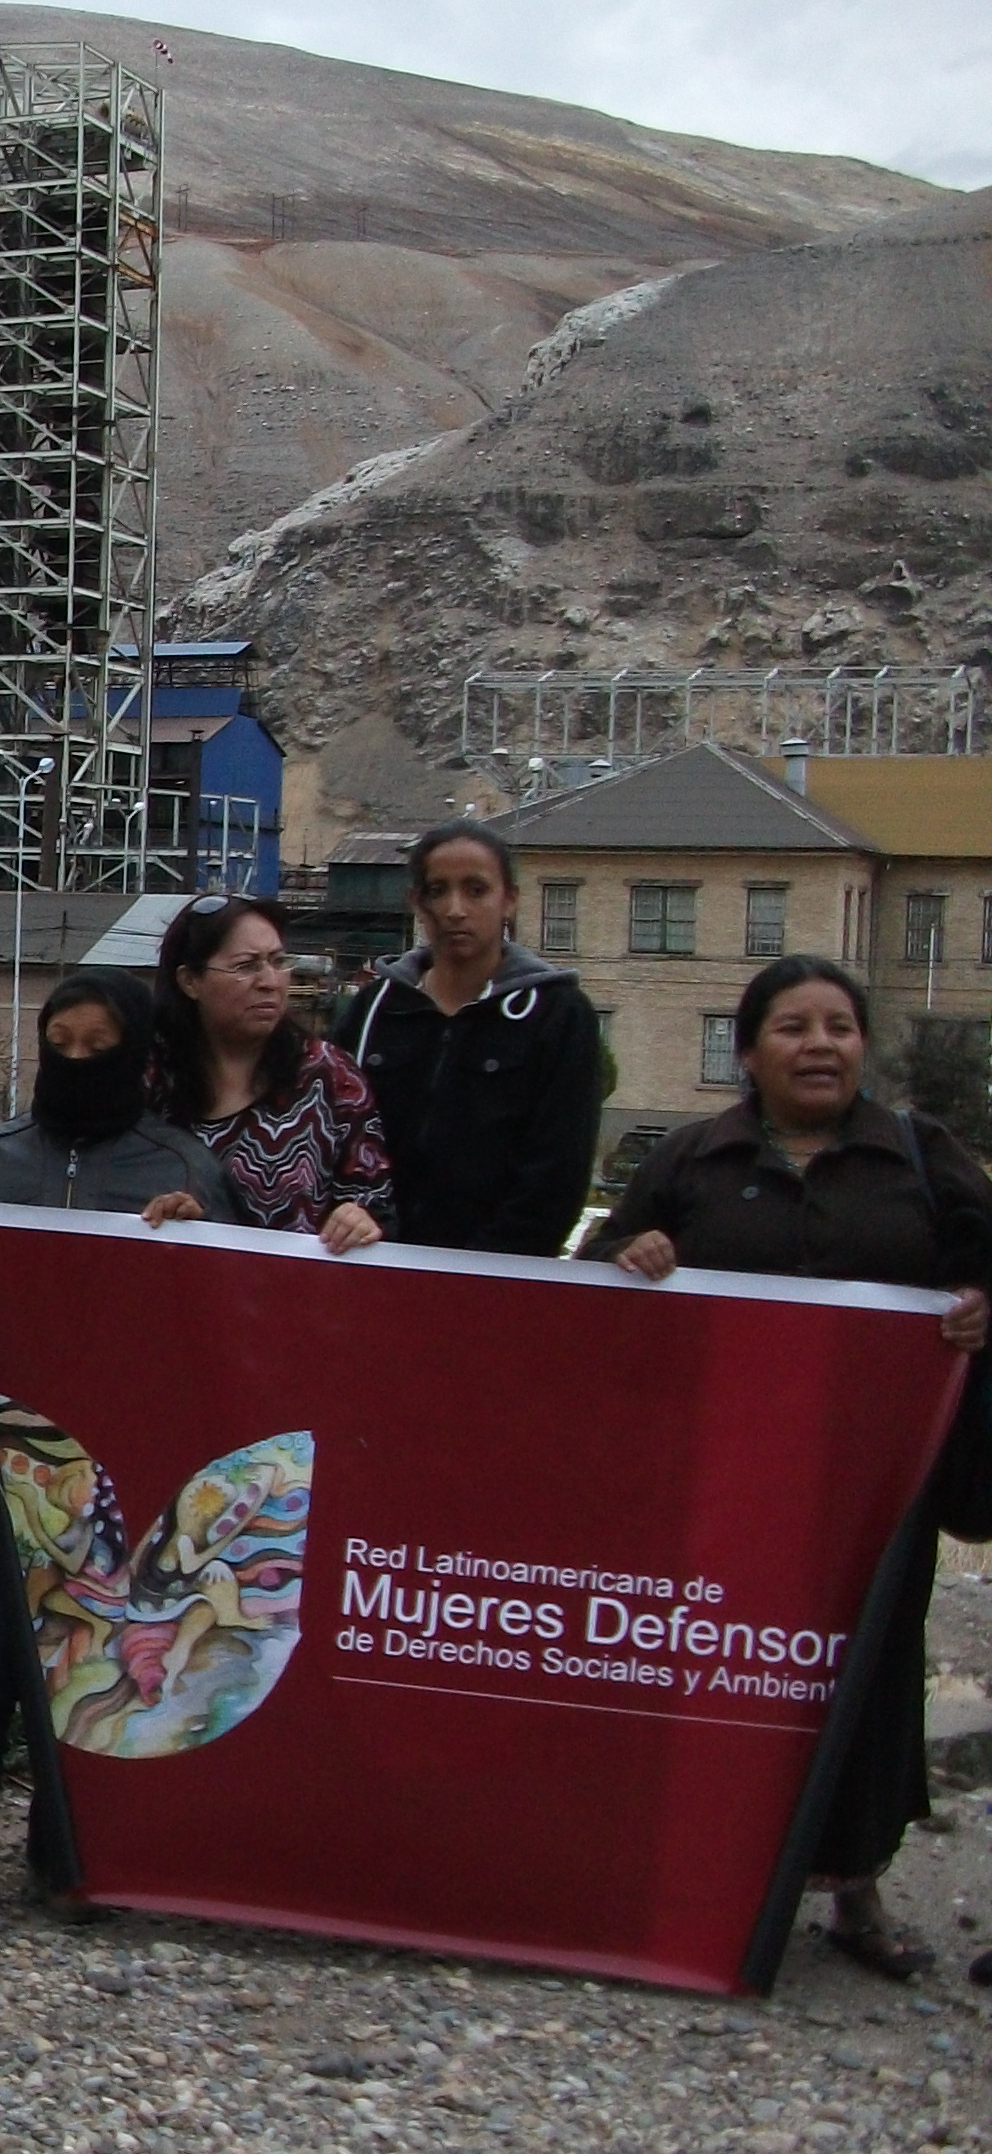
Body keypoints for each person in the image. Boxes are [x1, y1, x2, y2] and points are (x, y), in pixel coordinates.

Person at [592, 955, 992, 1980]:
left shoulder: (918, 1152)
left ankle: (856, 1889)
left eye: (839, 1027)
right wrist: (635, 1254)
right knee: (716, 1670)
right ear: (748, 1052)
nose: (819, 1045)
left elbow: (982, 1254)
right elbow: (604, 1270)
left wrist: (974, 1301)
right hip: (720, 1484)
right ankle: (683, 1877)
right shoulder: (691, 1156)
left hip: (870, 1487)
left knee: (864, 1675)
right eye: (792, 1027)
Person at [0, 969, 233, 1937]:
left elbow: (227, 1317)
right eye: (62, 1045)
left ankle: (69, 1857)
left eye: (101, 1047)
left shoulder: (183, 1168)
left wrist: (201, 1243)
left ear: (139, 1057)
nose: (78, 1064)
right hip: (3, 1453)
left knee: (93, 1662)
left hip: (117, 1466)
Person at [338, 821, 601, 1255]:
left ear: (509, 900)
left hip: (495, 1283)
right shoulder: (374, 1011)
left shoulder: (558, 1016)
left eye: (476, 890)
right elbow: (334, 1138)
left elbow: (557, 1177)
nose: (455, 909)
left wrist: (481, 1271)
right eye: (437, 890)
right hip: (374, 1267)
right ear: (416, 902)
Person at [157, 894, 391, 1249]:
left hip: (295, 1294)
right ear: (190, 981)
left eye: (278, 961)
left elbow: (373, 1201)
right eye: (246, 966)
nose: (270, 981)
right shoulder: (151, 1077)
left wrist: (360, 1220)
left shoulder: (329, 1076)